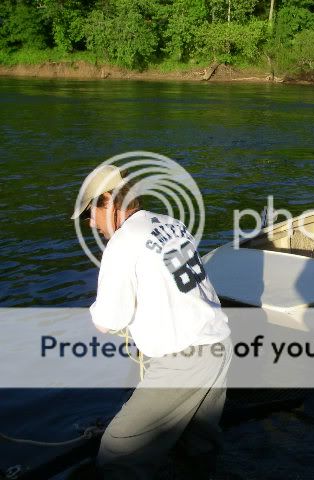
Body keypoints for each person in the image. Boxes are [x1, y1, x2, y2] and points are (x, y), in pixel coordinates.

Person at [71, 164, 232, 479]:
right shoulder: (171, 224)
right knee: (197, 446)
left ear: (110, 200)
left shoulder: (122, 243)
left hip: (184, 358)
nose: (91, 222)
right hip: (218, 344)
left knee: (118, 452)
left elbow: (108, 320)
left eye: (92, 210)